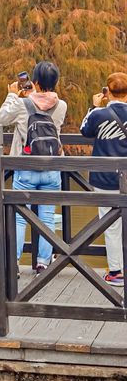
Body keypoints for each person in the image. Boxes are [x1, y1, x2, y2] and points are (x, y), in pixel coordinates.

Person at [0, 61, 67, 273]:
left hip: (24, 166)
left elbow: (1, 119)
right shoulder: (61, 105)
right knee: (46, 216)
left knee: (19, 217)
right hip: (52, 167)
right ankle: (43, 264)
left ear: (34, 81)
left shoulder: (22, 104)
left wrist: (12, 94)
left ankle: (14, 264)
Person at [80, 72, 127, 287]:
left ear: (108, 92)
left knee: (111, 226)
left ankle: (116, 272)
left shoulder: (99, 114)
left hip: (104, 178)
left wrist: (94, 107)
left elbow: (84, 131)